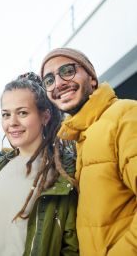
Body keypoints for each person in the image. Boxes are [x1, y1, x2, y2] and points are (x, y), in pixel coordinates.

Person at [0, 72, 79, 256]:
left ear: (45, 116)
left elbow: (73, 246)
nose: (13, 122)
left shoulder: (65, 172)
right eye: (6, 115)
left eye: (22, 113)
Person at [40, 47, 137, 255]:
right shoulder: (82, 137)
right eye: (49, 80)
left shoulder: (126, 114)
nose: (58, 83)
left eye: (67, 71)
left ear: (92, 79)